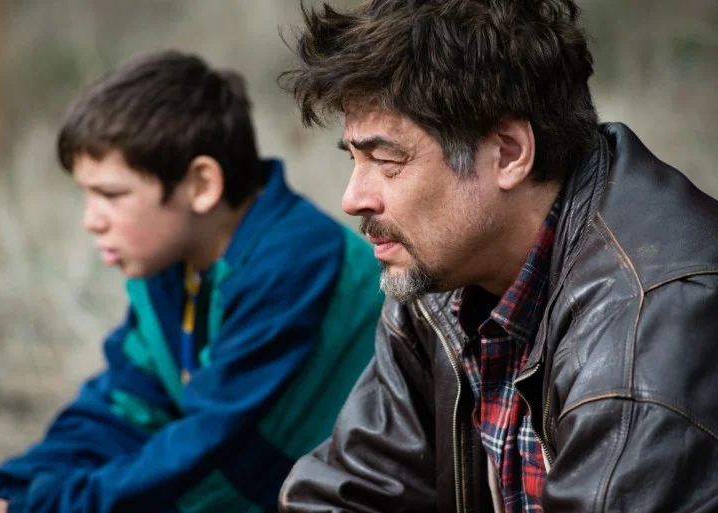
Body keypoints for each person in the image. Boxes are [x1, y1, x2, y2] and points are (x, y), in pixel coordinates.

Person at [277, 1, 718, 512]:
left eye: (386, 159)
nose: (353, 198)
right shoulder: (437, 282)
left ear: (509, 152)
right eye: (354, 158)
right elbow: (348, 492)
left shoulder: (652, 319)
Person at [0, 50, 383, 513]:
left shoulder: (294, 260)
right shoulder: (174, 264)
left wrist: (35, 510)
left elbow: (207, 461)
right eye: (86, 194)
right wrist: (7, 493)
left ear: (200, 185)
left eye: (111, 194)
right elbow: (124, 408)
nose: (91, 220)